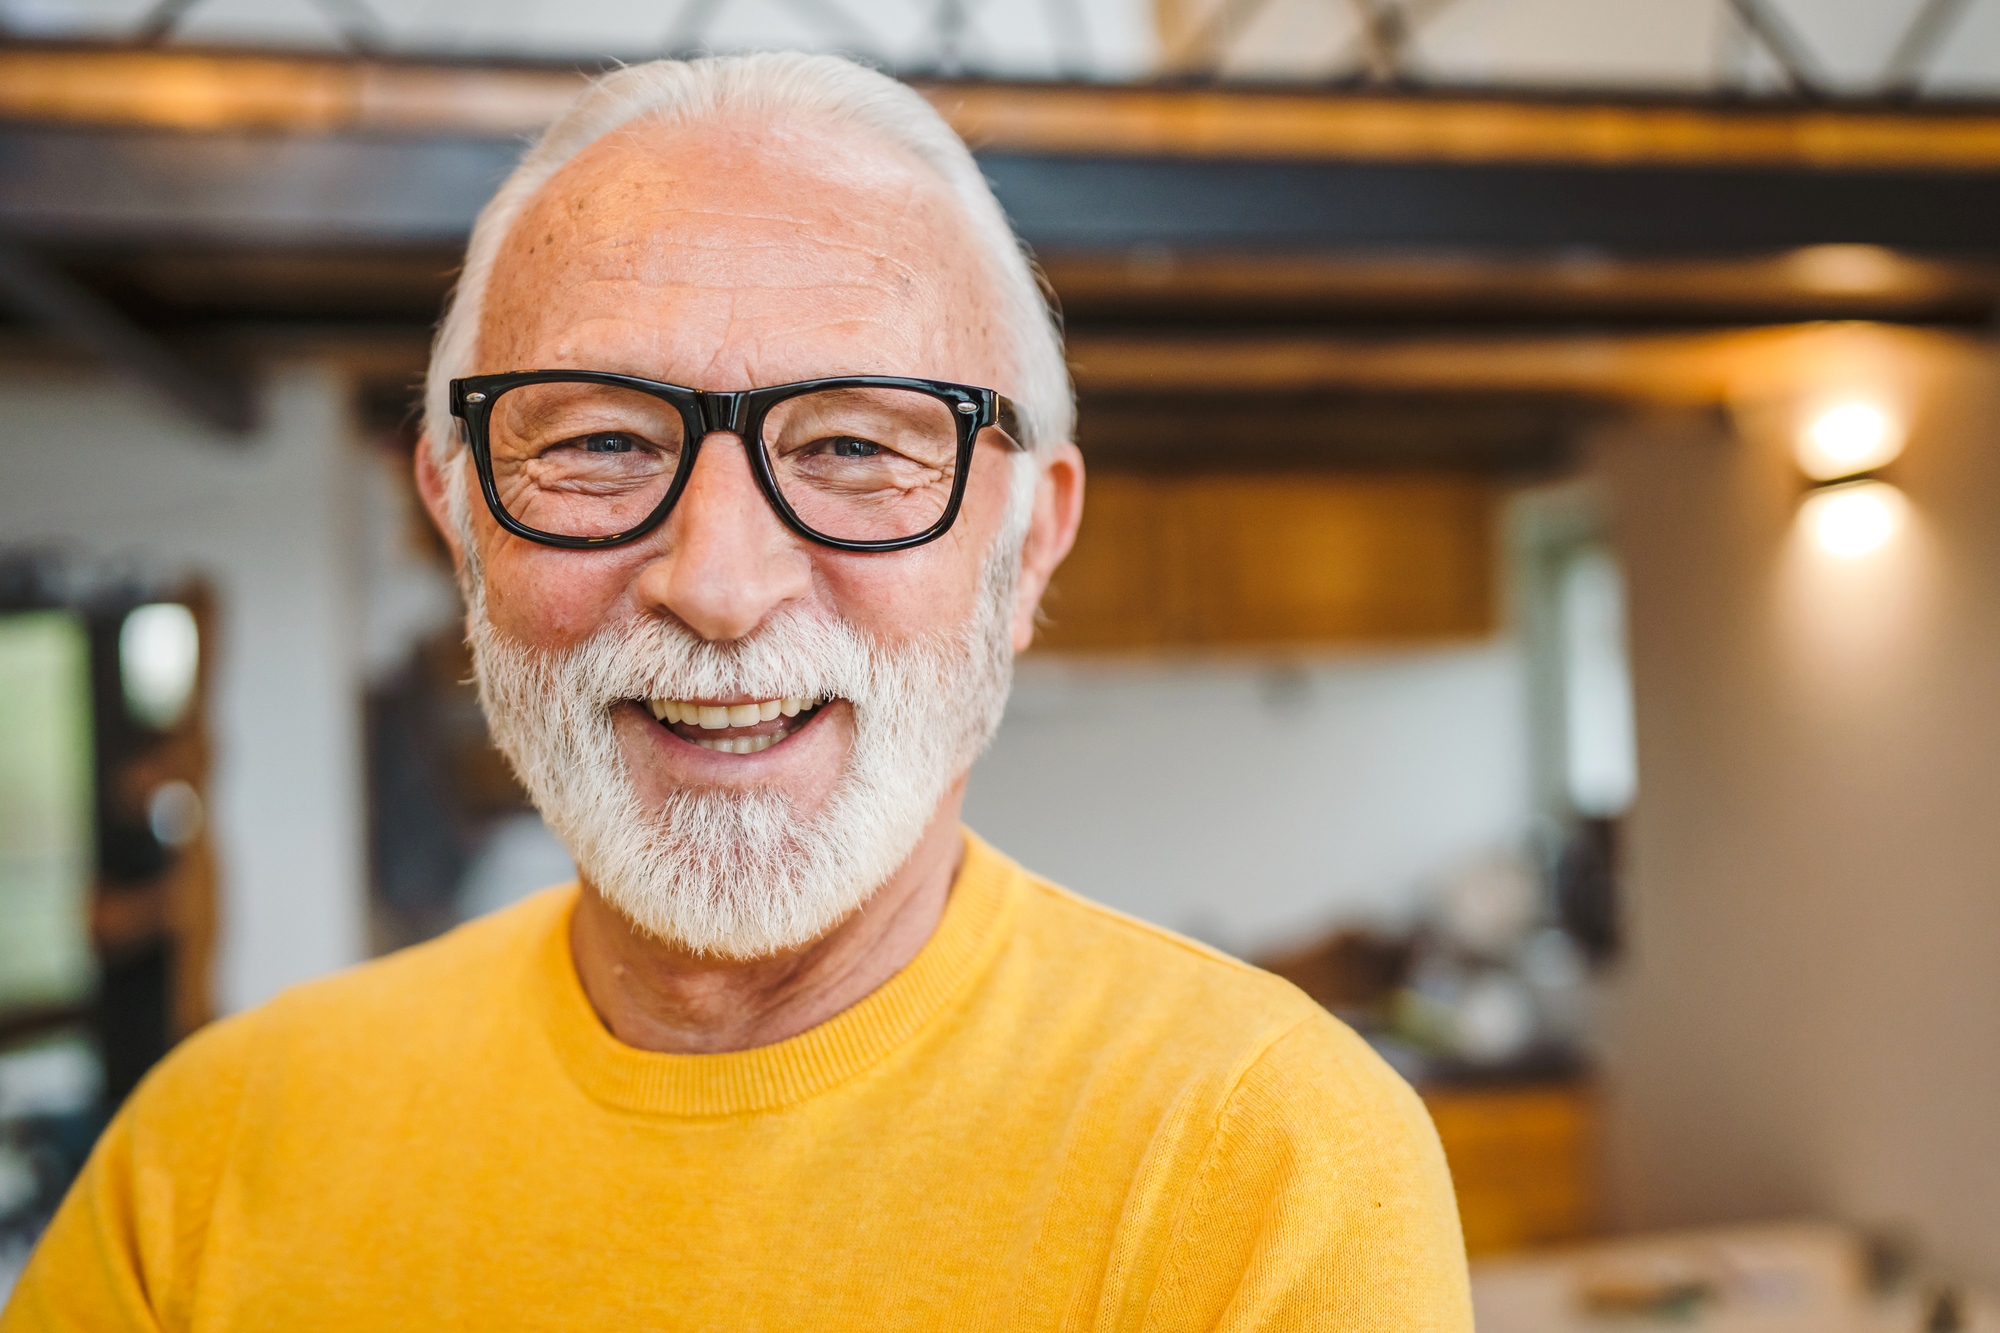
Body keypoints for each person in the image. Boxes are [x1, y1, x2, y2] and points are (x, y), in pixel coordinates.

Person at [3, 54, 1470, 1331]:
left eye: (851, 447)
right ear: (458, 518)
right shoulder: (208, 1156)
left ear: (1028, 546)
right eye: (598, 445)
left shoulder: (1271, 1158)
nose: (719, 581)